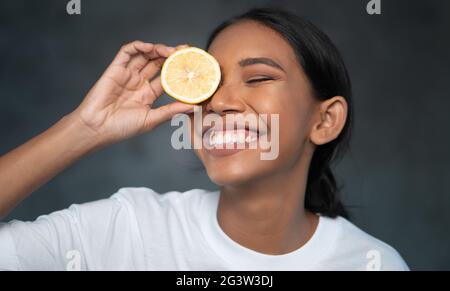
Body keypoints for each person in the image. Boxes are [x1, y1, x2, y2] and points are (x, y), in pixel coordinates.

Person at [0, 8, 408, 270]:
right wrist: (84, 129)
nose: (220, 103)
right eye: (208, 84)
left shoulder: (373, 264)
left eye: (259, 78)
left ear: (325, 120)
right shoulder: (129, 229)